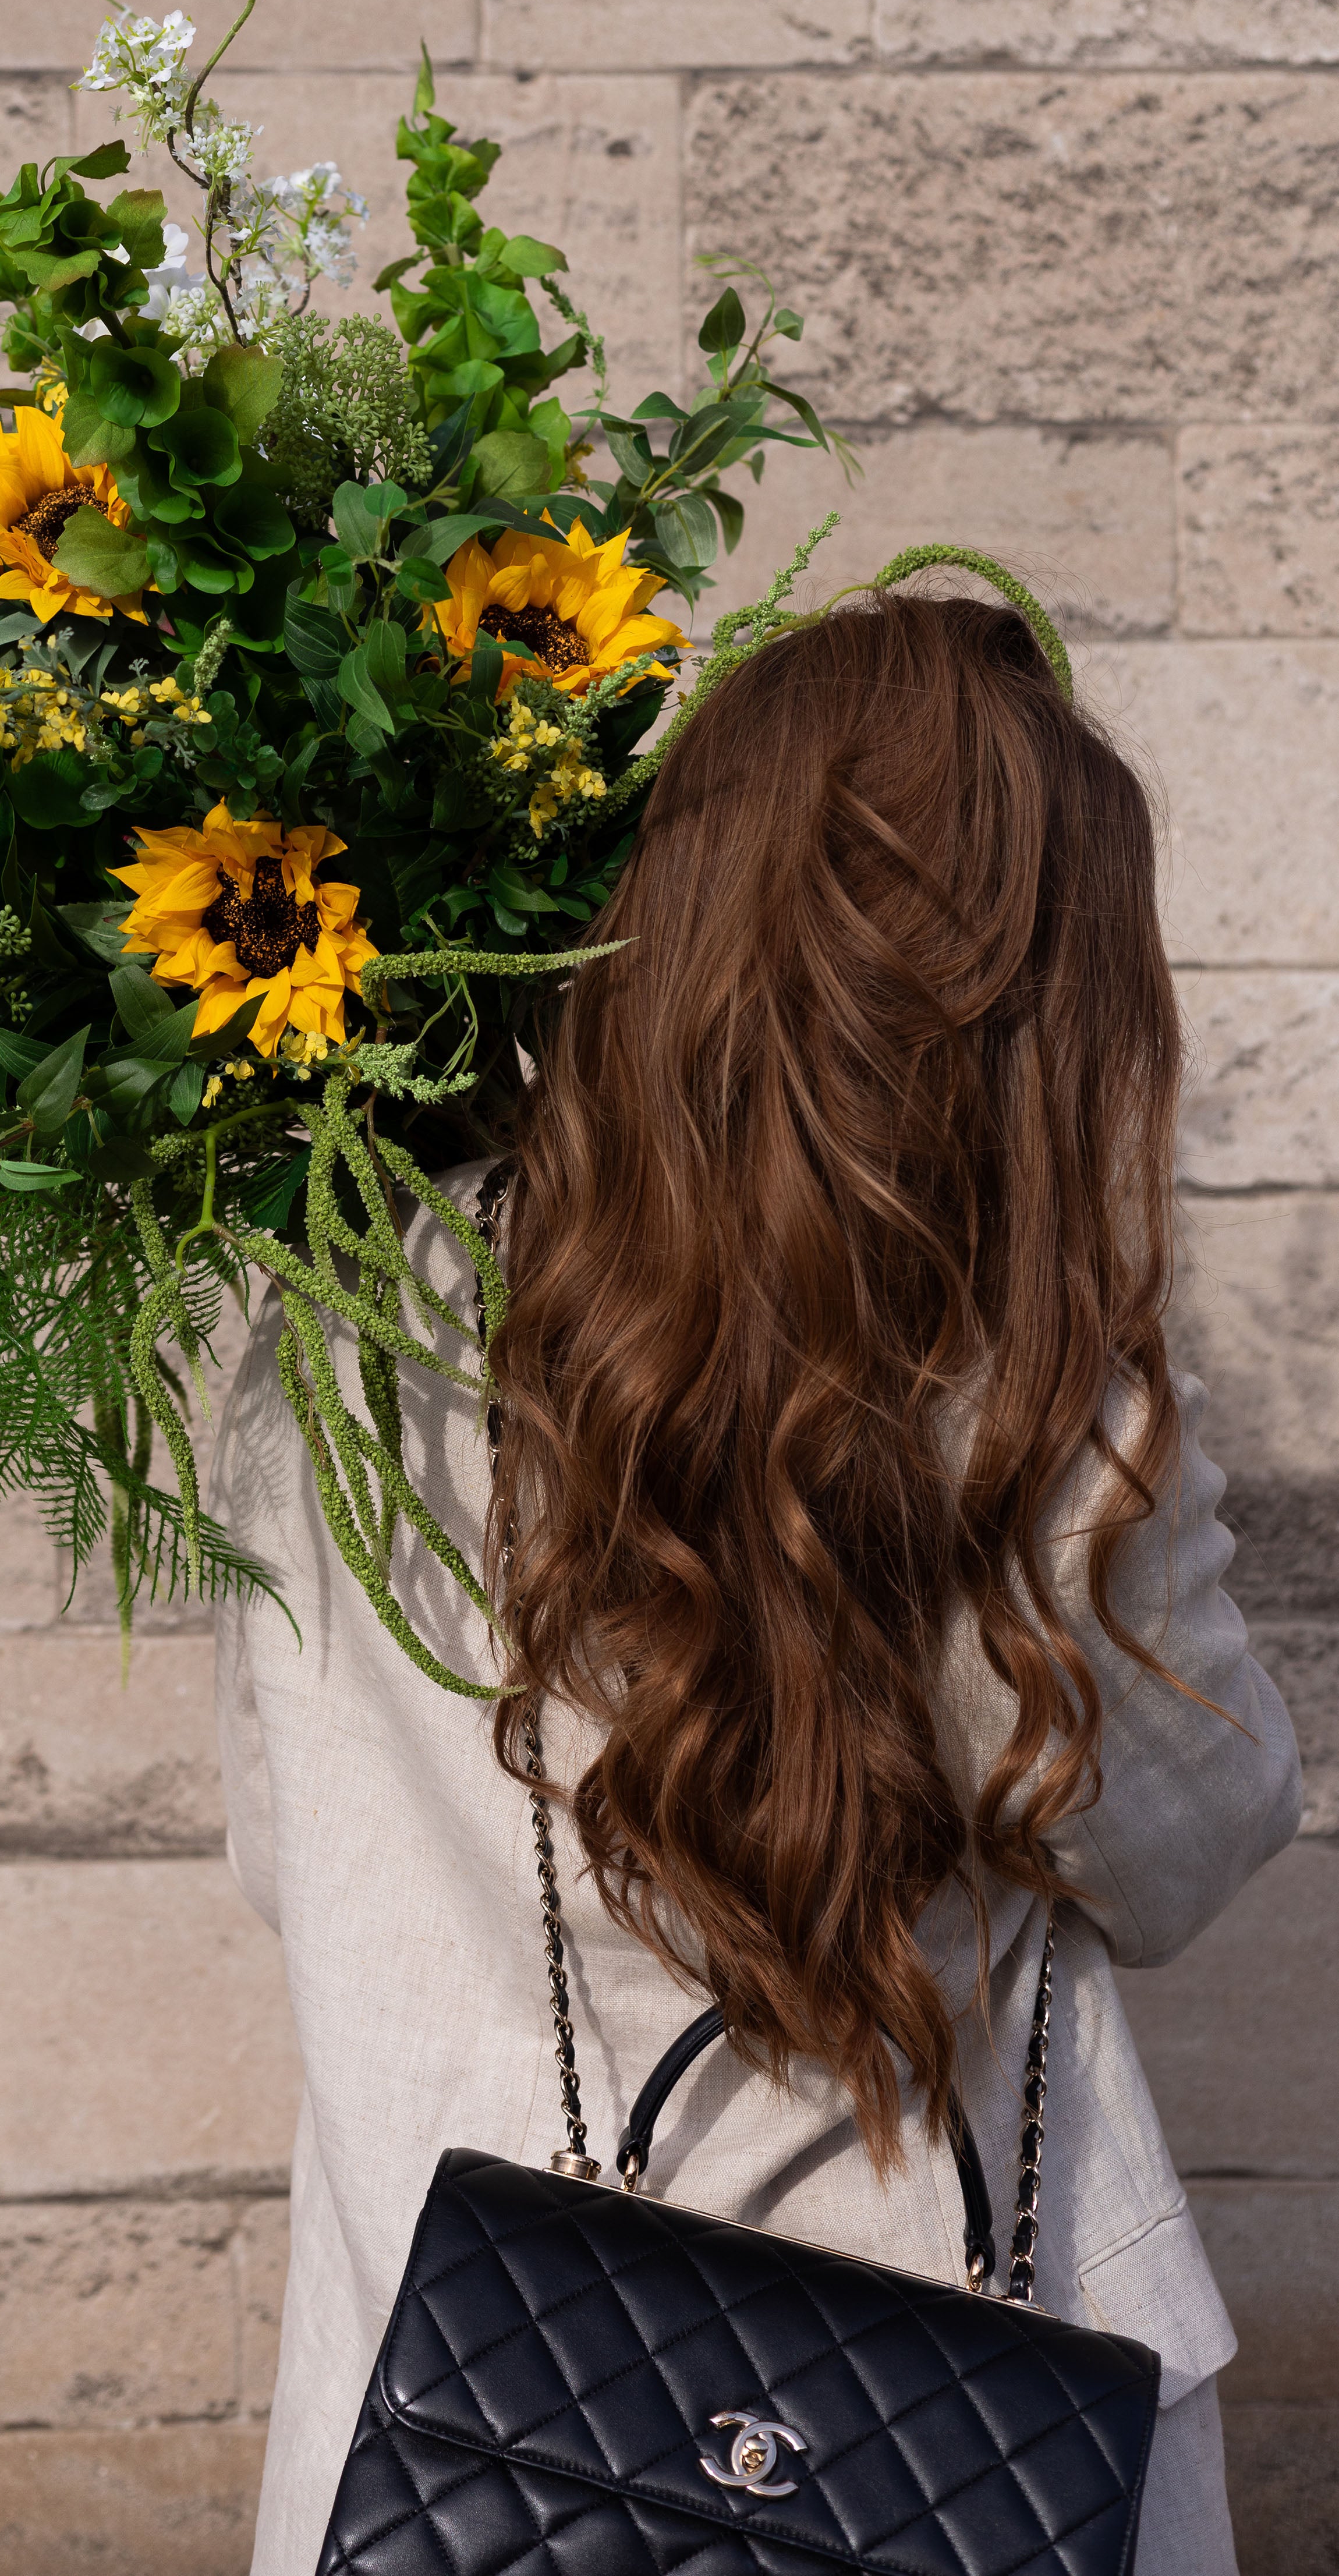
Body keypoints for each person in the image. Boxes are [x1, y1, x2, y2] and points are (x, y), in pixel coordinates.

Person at [214, 592, 1301, 2576]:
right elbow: (1187, 1843)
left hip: (470, 2426)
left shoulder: (343, 1320)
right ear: (1035, 1012)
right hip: (962, 2437)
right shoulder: (1033, 1390)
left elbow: (291, 1849)